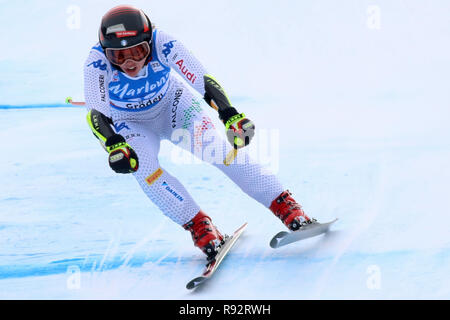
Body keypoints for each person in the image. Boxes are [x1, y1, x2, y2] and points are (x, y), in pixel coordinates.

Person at [84, 5, 316, 261]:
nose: (130, 63)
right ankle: (200, 227)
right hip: (131, 122)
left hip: (173, 106)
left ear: (150, 42)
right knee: (143, 168)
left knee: (217, 150)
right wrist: (114, 144)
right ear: (106, 53)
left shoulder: (164, 43)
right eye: (119, 57)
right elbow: (97, 114)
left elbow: (201, 79)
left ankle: (286, 206)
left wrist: (229, 114)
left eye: (138, 52)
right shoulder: (95, 63)